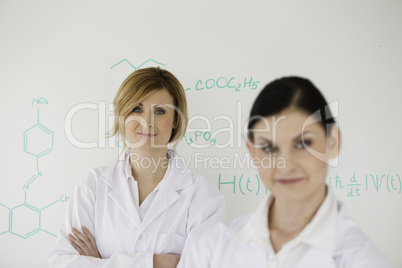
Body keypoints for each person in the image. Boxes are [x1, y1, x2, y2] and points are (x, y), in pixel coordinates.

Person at [178, 76, 390, 268]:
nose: (285, 165)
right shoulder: (208, 250)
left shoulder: (363, 261)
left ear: (333, 143)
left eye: (303, 144)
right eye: (269, 148)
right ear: (252, 151)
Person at [48, 67, 225, 268]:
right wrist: (157, 263)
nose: (146, 122)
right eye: (137, 109)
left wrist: (100, 263)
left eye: (159, 111)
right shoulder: (92, 186)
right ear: (123, 116)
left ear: (175, 120)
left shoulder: (202, 194)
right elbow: (62, 262)